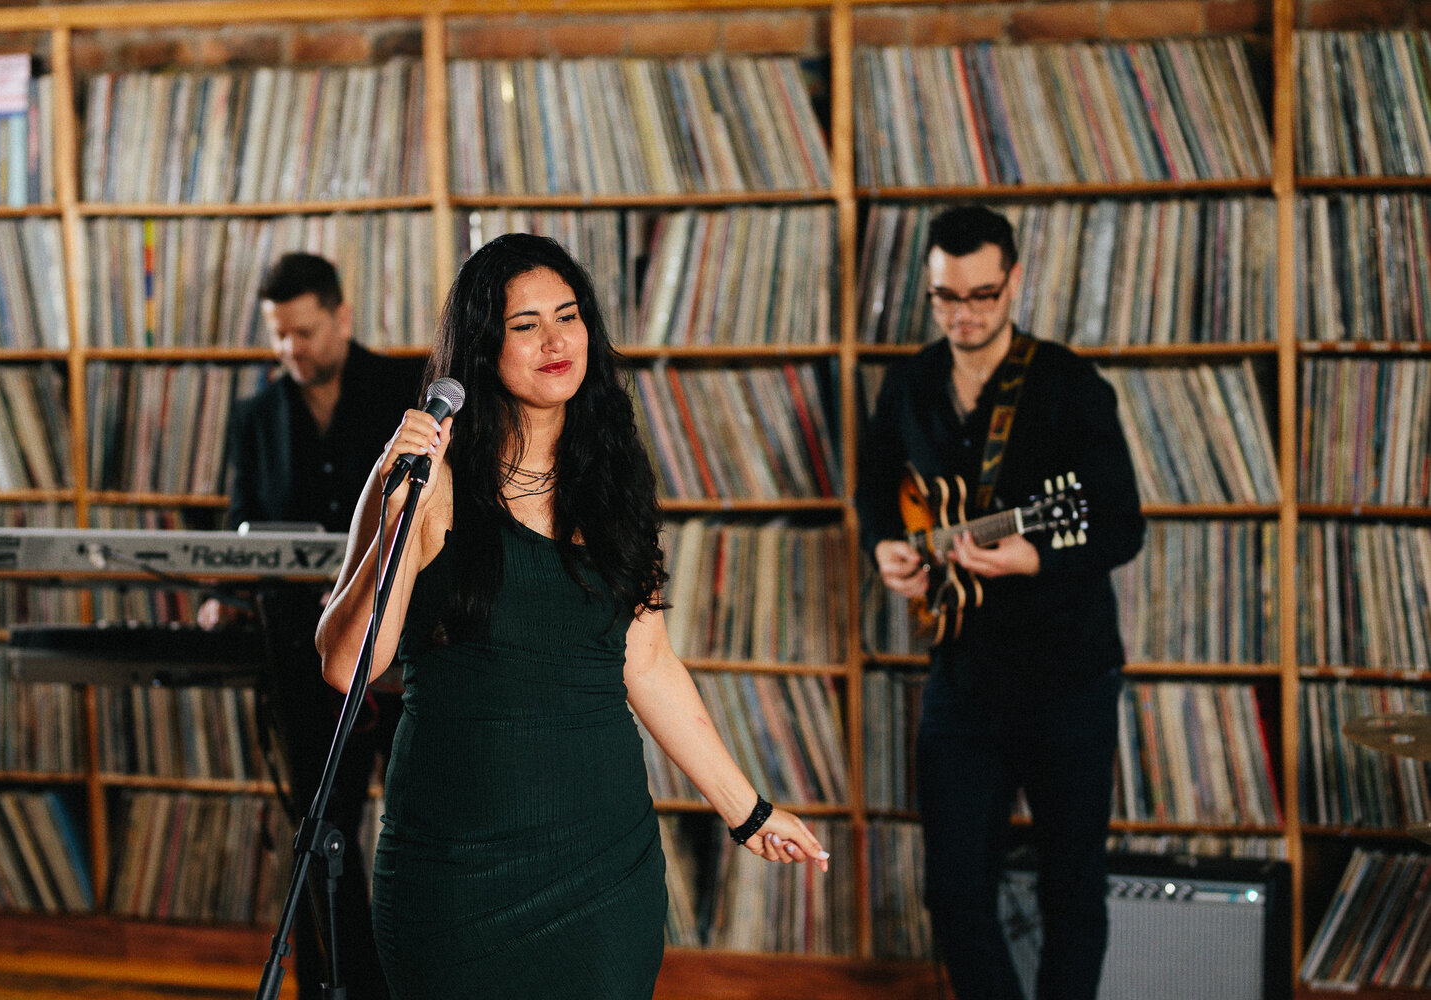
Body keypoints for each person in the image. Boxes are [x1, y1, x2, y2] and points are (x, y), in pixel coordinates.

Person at [315, 232, 830, 999]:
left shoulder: (615, 477)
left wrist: (748, 812)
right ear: (483, 347)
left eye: (569, 316)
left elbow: (647, 662)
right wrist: (397, 520)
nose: (556, 342)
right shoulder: (424, 477)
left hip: (602, 865)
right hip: (456, 870)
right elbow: (346, 667)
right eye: (526, 326)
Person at [855, 206, 1145, 1000]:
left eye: (982, 294)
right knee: (952, 894)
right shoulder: (911, 383)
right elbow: (875, 486)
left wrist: (1037, 555)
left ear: (1014, 280)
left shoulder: (1068, 386)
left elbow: (1121, 524)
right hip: (962, 676)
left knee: (1071, 891)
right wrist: (885, 547)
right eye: (947, 297)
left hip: (1068, 677)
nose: (965, 314)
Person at [199, 252, 422, 1000]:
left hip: (404, 656)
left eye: (304, 331)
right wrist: (223, 595)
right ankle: (342, 986)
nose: (290, 348)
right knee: (322, 832)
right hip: (305, 656)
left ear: (341, 317)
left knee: (423, 823)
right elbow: (243, 524)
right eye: (279, 334)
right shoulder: (255, 417)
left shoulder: (408, 393)